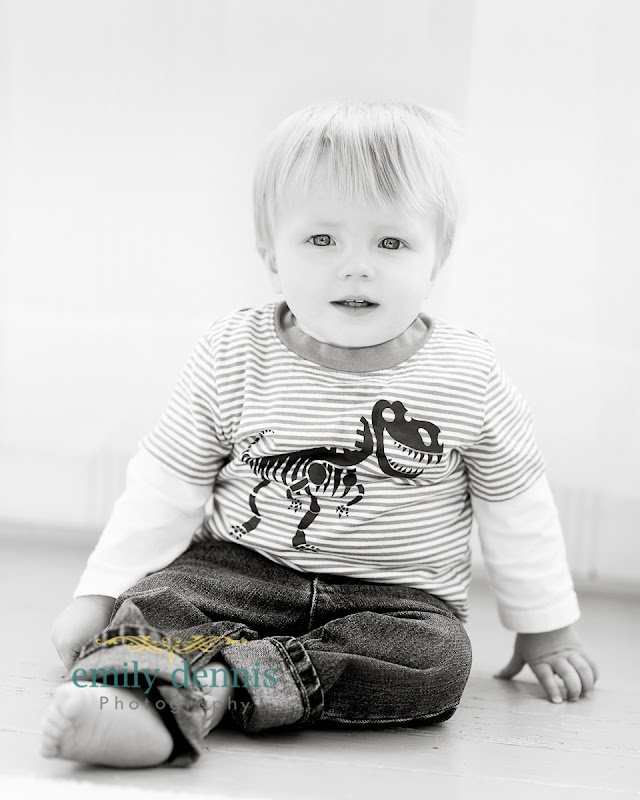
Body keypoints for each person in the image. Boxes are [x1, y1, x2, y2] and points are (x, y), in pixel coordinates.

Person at [41, 100, 598, 769]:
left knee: (439, 660)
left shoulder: (469, 375)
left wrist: (546, 626)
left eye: (391, 243)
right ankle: (128, 696)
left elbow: (516, 503)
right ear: (270, 254)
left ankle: (215, 687)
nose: (355, 266)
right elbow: (166, 485)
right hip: (237, 570)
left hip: (394, 601)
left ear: (438, 257)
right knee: (158, 601)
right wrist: (99, 594)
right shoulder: (233, 353)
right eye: (322, 240)